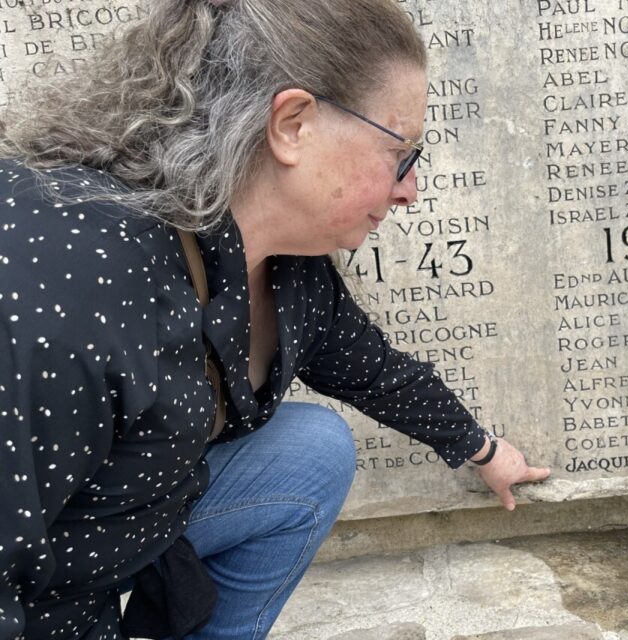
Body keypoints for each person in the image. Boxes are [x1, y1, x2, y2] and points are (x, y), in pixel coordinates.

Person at [0, 0, 550, 637]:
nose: (410, 189)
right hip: (47, 588)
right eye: (401, 154)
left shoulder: (285, 268)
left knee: (311, 449)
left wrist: (481, 449)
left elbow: (373, 371)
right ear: (292, 124)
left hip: (135, 524)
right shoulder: (72, 277)